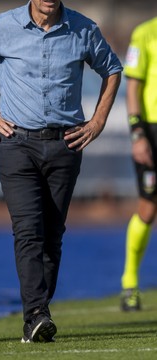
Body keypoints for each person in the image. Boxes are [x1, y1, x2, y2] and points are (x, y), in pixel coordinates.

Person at [0, 0, 122, 342]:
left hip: (66, 143)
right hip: (17, 144)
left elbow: (112, 70)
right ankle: (36, 314)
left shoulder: (83, 29)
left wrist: (97, 121)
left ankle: (36, 312)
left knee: (52, 234)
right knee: (27, 231)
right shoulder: (3, 26)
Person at [120, 16, 157, 311]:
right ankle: (129, 283)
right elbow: (132, 87)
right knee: (148, 206)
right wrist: (137, 133)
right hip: (152, 132)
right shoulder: (145, 32)